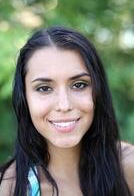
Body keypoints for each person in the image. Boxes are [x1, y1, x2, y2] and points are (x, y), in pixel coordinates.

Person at [0, 26, 134, 196]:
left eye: (79, 85)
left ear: (98, 91)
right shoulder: (10, 189)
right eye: (44, 88)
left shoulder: (128, 168)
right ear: (24, 97)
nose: (64, 105)